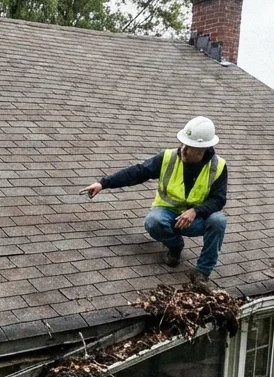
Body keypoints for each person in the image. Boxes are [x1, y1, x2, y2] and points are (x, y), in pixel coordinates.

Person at [82, 116, 228, 284]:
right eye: (183, 143)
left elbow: (219, 199)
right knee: (153, 221)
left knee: (218, 220)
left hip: (196, 219)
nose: (183, 149)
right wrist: (103, 183)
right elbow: (138, 172)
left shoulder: (218, 167)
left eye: (189, 146)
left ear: (202, 150)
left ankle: (203, 272)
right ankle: (175, 247)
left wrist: (195, 211)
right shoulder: (168, 157)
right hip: (169, 216)